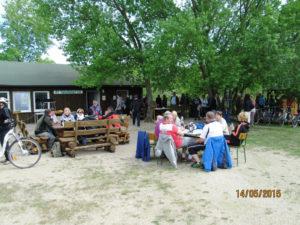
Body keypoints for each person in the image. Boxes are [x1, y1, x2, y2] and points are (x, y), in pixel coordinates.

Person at [0, 97, 12, 162]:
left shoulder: (5, 109)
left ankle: (9, 159)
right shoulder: (2, 109)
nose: (0, 105)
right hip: (2, 129)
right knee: (3, 143)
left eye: (1, 104)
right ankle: (7, 158)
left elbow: (8, 119)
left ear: (4, 104)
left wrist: (2, 122)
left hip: (5, 129)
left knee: (5, 143)